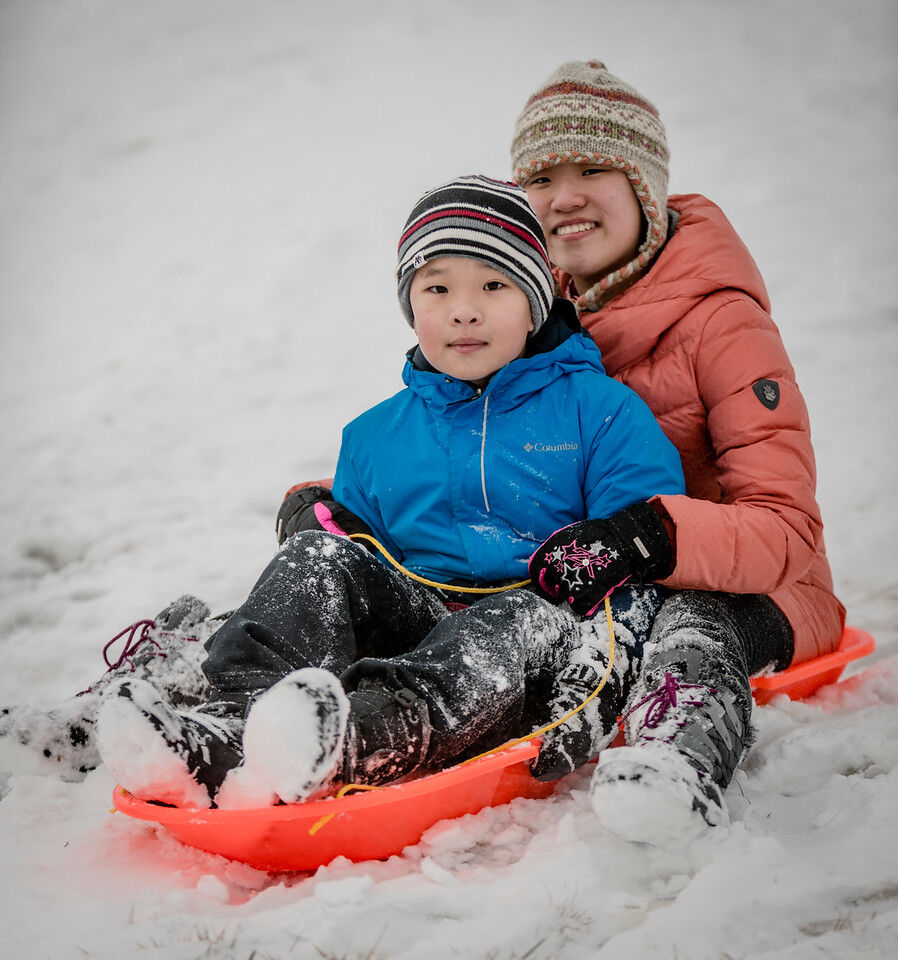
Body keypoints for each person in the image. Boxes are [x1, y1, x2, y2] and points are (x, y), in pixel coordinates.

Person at [94, 175, 686, 809]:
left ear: (535, 303)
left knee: (508, 621)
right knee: (315, 557)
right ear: (411, 305)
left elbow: (645, 551)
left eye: (494, 286)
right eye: (438, 288)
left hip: (537, 640)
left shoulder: (601, 411)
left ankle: (346, 740)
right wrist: (335, 537)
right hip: (421, 620)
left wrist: (608, 664)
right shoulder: (374, 436)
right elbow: (361, 566)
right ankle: (232, 725)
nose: (464, 311)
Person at [511, 60, 845, 844]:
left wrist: (650, 536)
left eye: (593, 169)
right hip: (604, 590)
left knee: (693, 619)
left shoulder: (722, 323)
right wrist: (345, 505)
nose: (565, 197)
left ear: (644, 188)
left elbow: (788, 527)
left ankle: (676, 767)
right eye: (541, 177)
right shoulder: (522, 316)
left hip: (759, 591)